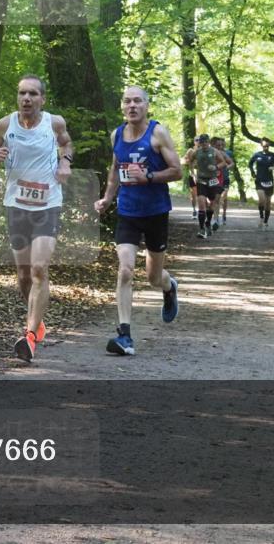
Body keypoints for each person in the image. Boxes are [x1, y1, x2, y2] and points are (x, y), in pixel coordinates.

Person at [0, 75, 73, 361]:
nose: (26, 98)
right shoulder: (5, 125)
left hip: (48, 205)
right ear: (17, 97)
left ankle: (29, 336)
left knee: (40, 269)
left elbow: (67, 144)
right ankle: (37, 320)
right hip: (16, 205)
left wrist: (66, 162)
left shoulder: (54, 123)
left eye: (32, 94)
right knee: (23, 276)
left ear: (42, 99)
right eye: (22, 93)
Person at [94, 86, 182, 356]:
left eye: (137, 101)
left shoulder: (157, 133)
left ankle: (169, 287)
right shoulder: (116, 135)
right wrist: (107, 198)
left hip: (156, 212)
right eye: (127, 101)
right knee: (125, 269)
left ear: (146, 105)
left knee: (153, 277)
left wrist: (149, 177)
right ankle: (125, 335)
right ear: (122, 106)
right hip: (128, 213)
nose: (132, 106)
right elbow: (114, 170)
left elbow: (177, 171)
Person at [183, 134, 229, 239]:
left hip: (212, 180)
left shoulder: (214, 151)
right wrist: (193, 173)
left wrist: (216, 167)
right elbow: (190, 161)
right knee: (202, 204)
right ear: (199, 143)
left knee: (212, 204)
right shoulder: (196, 152)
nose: (203, 144)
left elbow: (223, 163)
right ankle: (201, 229)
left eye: (205, 142)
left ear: (208, 142)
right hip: (201, 180)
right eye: (201, 142)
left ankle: (208, 222)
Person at [248, 137, 274, 230]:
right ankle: (261, 217)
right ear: (261, 145)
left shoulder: (273, 155)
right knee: (261, 200)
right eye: (264, 146)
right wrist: (252, 172)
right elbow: (250, 163)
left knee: (268, 203)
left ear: (269, 145)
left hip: (269, 181)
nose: (266, 147)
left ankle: (266, 222)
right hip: (259, 180)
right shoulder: (257, 155)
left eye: (267, 146)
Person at [211, 137, 235, 230]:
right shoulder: (208, 153)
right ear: (213, 145)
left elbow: (232, 163)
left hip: (224, 179)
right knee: (213, 200)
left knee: (222, 198)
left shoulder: (226, 153)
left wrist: (227, 167)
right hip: (212, 179)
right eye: (218, 145)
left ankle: (221, 215)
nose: (220, 147)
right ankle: (214, 217)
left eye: (222, 145)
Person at [186, 136, 200, 218]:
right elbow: (189, 163)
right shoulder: (190, 151)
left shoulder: (204, 150)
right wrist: (193, 174)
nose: (198, 141)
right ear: (194, 141)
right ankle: (194, 210)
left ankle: (201, 210)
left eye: (199, 140)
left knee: (201, 193)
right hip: (193, 174)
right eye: (196, 140)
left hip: (202, 174)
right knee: (193, 193)